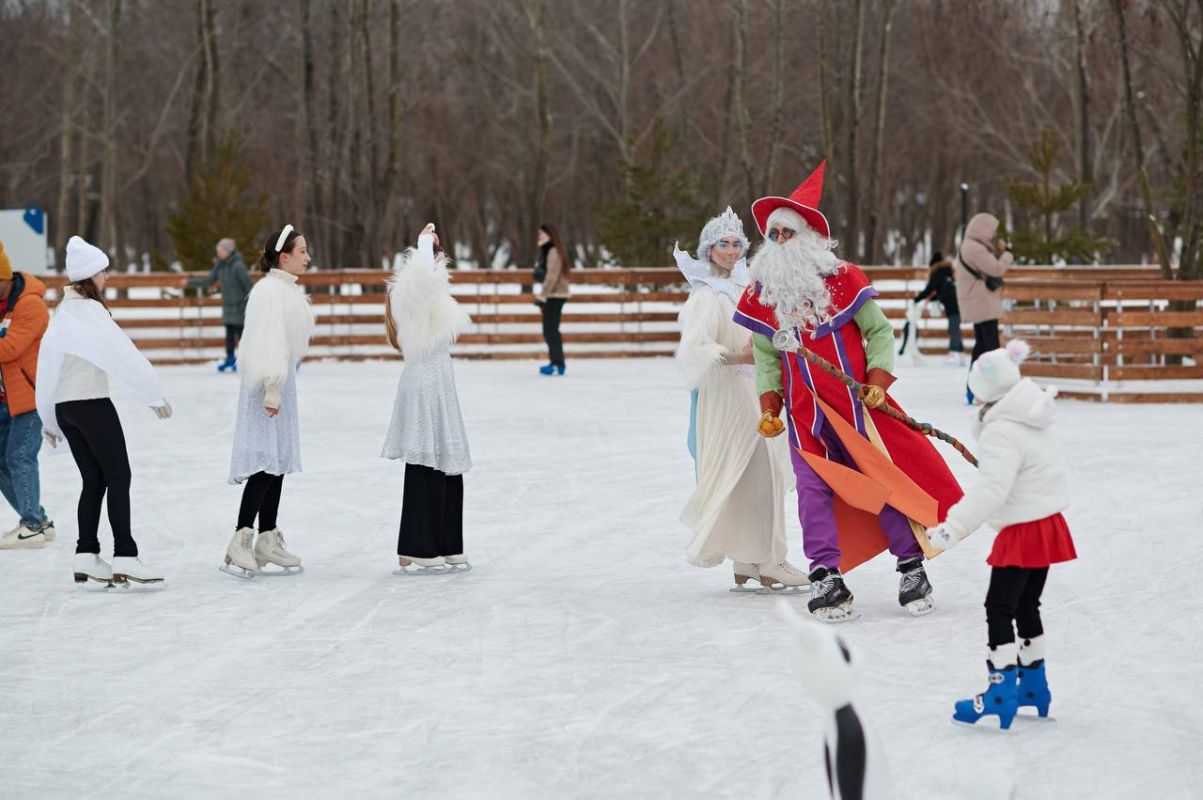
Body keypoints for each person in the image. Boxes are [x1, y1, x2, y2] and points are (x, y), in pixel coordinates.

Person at [734, 161, 962, 622]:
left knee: (881, 481)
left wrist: (877, 382)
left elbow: (879, 334)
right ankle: (825, 575)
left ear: (809, 239)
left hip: (857, 407)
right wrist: (770, 403)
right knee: (813, 491)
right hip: (803, 415)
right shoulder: (764, 294)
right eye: (772, 236)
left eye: (787, 234)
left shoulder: (843, 278)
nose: (778, 244)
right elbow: (765, 357)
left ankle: (911, 565)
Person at [927, 341, 1076, 729]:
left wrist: (952, 528)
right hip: (1047, 523)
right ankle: (1033, 686)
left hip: (1024, 528)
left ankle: (1001, 690)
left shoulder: (1002, 431)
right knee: (1027, 606)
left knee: (999, 608)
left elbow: (991, 491)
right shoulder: (1030, 414)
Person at [674, 207, 806, 590]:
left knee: (760, 473)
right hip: (728, 394)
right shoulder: (707, 296)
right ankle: (771, 558)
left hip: (752, 386)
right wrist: (738, 358)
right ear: (709, 250)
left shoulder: (746, 286)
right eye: (722, 244)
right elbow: (695, 351)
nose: (731, 251)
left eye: (736, 243)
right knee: (760, 469)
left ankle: (751, 559)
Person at [36, 236, 172, 586]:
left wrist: (48, 418)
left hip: (67, 408)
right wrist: (152, 393)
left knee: (94, 480)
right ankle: (125, 555)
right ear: (89, 275)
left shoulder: (63, 313)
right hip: (91, 404)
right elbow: (122, 354)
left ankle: (86, 554)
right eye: (103, 271)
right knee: (119, 477)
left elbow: (47, 366)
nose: (107, 278)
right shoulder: (91, 312)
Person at [221, 224, 315, 579]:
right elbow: (267, 343)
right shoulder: (269, 292)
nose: (308, 257)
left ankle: (267, 538)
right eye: (302, 251)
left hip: (279, 384)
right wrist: (273, 388)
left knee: (276, 462)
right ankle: (241, 538)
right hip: (267, 385)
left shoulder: (284, 290)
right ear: (283, 256)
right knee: (264, 463)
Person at [383, 223, 472, 573]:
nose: (440, 263)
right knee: (425, 462)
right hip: (423, 383)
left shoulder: (434, 296)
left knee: (448, 458)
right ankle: (417, 543)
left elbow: (433, 286)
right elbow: (422, 284)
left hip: (440, 382)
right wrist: (423, 247)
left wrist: (430, 252)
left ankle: (447, 540)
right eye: (434, 258)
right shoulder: (411, 292)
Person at [0, 240, 56, 549]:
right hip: (5, 398)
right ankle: (38, 518)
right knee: (2, 461)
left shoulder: (30, 305)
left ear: (5, 280)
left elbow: (9, 349)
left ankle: (32, 525)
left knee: (19, 457)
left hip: (30, 396)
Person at [956, 213, 1013, 402]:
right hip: (981, 302)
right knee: (991, 348)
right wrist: (1008, 254)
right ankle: (988, 390)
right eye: (992, 232)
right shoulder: (975, 248)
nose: (993, 236)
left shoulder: (970, 246)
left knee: (981, 346)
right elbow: (996, 269)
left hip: (976, 302)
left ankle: (974, 389)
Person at [188, 237, 253, 373]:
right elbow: (209, 280)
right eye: (218, 250)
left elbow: (248, 287)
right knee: (229, 335)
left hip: (240, 306)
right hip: (228, 306)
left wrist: (252, 304)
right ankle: (230, 358)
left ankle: (245, 360)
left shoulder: (238, 266)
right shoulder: (220, 265)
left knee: (241, 335)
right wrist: (190, 283)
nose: (219, 253)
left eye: (221, 250)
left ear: (228, 251)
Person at [913, 251, 964, 365]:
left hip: (952, 303)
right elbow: (943, 289)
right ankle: (959, 356)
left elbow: (929, 289)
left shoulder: (937, 274)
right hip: (957, 301)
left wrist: (917, 299)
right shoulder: (947, 272)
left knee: (953, 328)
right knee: (955, 327)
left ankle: (954, 353)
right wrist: (932, 299)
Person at [534, 223, 570, 376]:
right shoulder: (548, 250)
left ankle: (557, 363)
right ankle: (556, 362)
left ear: (550, 235)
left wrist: (542, 296)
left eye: (542, 234)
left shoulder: (553, 251)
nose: (539, 237)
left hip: (555, 296)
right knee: (550, 330)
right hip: (554, 295)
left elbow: (552, 277)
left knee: (550, 330)